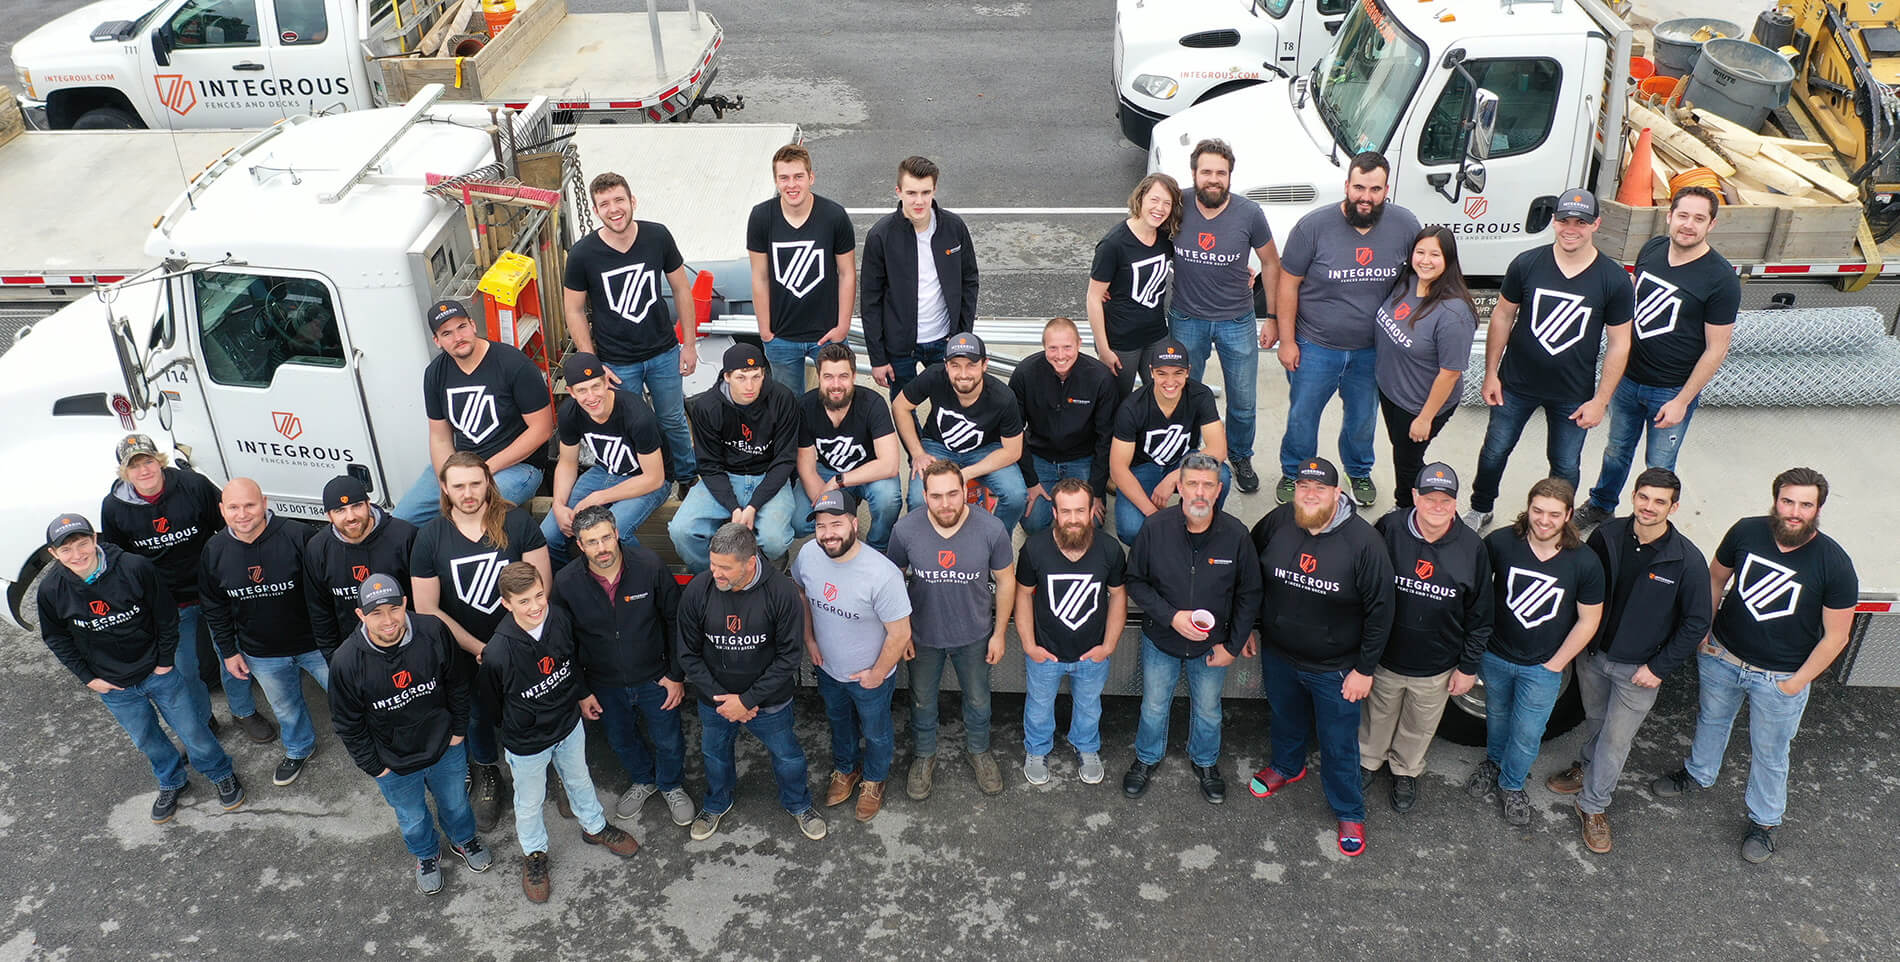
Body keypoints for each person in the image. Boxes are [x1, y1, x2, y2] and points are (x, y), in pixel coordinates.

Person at [1650, 467, 1857, 864]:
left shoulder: (1834, 563)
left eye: (1805, 504)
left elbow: (1837, 636)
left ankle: (1764, 823)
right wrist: (1704, 633)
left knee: (1770, 751)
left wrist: (1796, 683)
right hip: (1723, 657)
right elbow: (1714, 580)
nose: (1794, 511)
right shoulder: (1746, 531)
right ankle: (1698, 775)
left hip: (1780, 677)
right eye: (1788, 501)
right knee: (1711, 720)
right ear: (1775, 499)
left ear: (1818, 509)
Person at [1541, 469, 1708, 854]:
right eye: (1643, 497)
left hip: (1639, 671)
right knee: (1598, 722)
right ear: (1633, 497)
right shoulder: (1608, 535)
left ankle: (1594, 806)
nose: (1649, 507)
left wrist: (1659, 668)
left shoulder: (1686, 561)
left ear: (1674, 507)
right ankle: (1586, 765)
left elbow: (1696, 622)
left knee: (1617, 739)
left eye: (1660, 501)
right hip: (1595, 657)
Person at [38, 513, 245, 821]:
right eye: (66, 550)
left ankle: (219, 772)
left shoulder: (135, 568)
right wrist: (88, 678)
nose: (77, 555)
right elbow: (56, 637)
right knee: (146, 737)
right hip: (113, 685)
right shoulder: (51, 590)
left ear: (95, 540)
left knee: (191, 728)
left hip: (158, 673)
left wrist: (164, 662)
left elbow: (165, 616)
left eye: (82, 544)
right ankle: (172, 781)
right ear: (54, 554)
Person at [1248, 457, 1394, 857]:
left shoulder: (1364, 543)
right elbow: (1249, 572)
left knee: (1337, 743)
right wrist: (1248, 627)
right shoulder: (1278, 521)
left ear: (1337, 494)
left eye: (1319, 489)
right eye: (1303, 487)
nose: (1310, 495)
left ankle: (1349, 811)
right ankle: (1286, 767)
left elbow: (1382, 612)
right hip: (1279, 654)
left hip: (1336, 668)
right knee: (1284, 718)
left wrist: (1364, 670)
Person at [1466, 190, 1634, 529]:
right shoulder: (1527, 264)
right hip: (1515, 384)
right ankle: (1480, 507)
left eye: (1581, 222)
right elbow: (1502, 316)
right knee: (1494, 451)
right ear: (1554, 222)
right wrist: (1491, 374)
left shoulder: (1613, 279)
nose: (1571, 229)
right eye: (1564, 220)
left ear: (1596, 224)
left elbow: (1620, 343)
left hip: (1573, 395)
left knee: (1565, 465)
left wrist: (1601, 401)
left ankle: (1558, 523)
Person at [1578, 186, 1739, 528]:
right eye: (1683, 216)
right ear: (1669, 217)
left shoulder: (1721, 279)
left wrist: (1683, 399)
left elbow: (1717, 348)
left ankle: (1650, 524)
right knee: (1616, 451)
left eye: (1699, 219)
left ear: (1711, 225)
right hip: (1629, 380)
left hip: (1671, 391)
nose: (1688, 225)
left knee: (1659, 467)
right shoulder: (1651, 250)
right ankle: (1601, 505)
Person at [479, 562, 640, 903]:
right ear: (506, 604)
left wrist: (581, 695)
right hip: (528, 742)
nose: (535, 606)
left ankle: (594, 827)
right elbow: (491, 706)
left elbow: (572, 663)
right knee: (530, 801)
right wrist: (521, 725)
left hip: (568, 723)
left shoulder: (559, 619)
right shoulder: (497, 653)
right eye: (523, 601)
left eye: (539, 595)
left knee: (579, 778)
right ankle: (534, 855)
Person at [1269, 151, 1423, 506]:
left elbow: (1419, 281)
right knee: (1302, 415)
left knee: (1362, 418)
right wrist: (1288, 341)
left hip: (1373, 350)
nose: (1365, 197)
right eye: (1358, 187)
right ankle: (1295, 472)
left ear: (1387, 189)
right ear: (1346, 186)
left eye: (1374, 189)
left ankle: (1358, 471)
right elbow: (1288, 284)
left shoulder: (1405, 225)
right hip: (1314, 346)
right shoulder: (1312, 227)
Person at [410, 451, 552, 833]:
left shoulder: (518, 523)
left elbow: (541, 587)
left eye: (476, 482)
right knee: (475, 717)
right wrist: (480, 649)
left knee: (528, 708)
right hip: (462, 655)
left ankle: (539, 767)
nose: (468, 492)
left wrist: (508, 643)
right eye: (459, 485)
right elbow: (426, 608)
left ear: (488, 481)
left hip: (520, 644)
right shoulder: (430, 536)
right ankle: (487, 773)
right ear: (444, 488)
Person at [99, 434, 273, 743]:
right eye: (135, 466)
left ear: (160, 460)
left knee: (231, 654)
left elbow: (228, 526)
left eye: (148, 461)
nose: (144, 471)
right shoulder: (114, 507)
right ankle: (205, 719)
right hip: (168, 602)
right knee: (185, 668)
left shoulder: (193, 485)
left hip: (215, 589)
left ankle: (243, 711)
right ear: (124, 472)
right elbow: (118, 557)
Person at [328, 575, 493, 895]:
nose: (388, 620)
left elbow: (457, 684)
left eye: (393, 608)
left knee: (457, 803)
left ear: (405, 603)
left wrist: (458, 733)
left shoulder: (433, 631)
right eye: (376, 613)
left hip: (446, 747)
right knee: (413, 817)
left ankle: (463, 840)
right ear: (361, 615)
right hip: (394, 762)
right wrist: (376, 767)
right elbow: (348, 724)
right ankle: (426, 855)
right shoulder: (346, 662)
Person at [1122, 452, 1262, 804]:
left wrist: (1232, 645)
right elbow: (1135, 582)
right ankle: (1146, 757)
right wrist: (1172, 617)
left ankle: (1206, 762)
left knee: (1209, 709)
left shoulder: (1236, 535)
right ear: (1179, 488)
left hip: (1211, 646)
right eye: (1193, 484)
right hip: (1161, 639)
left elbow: (1250, 593)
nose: (1200, 492)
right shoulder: (1154, 528)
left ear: (1218, 491)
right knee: (1153, 705)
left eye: (1208, 486)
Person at [1464, 478, 1604, 827]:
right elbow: (1477, 596)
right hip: (1495, 656)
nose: (1544, 520)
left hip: (1542, 666)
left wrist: (1554, 665)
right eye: (1538, 510)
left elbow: (1589, 620)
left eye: (1554, 514)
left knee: (1528, 731)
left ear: (1569, 515)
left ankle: (1511, 785)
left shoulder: (1584, 562)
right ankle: (1493, 762)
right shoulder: (1500, 543)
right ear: (1528, 508)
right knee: (1496, 717)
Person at [676, 523, 827, 842]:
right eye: (712, 563)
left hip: (770, 703)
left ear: (750, 561)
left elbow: (788, 657)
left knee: (787, 756)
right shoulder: (698, 590)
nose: (715, 572)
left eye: (724, 568)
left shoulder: (782, 593)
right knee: (714, 755)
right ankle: (717, 802)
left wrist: (745, 701)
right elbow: (688, 655)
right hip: (715, 702)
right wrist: (724, 699)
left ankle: (799, 803)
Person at [549, 505, 694, 829]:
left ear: (616, 534)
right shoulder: (567, 582)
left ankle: (671, 785)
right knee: (621, 739)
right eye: (591, 542)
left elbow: (675, 622)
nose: (601, 548)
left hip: (655, 678)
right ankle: (644, 779)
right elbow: (564, 643)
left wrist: (675, 675)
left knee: (669, 738)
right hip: (603, 684)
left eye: (606, 538)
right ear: (580, 545)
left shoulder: (650, 566)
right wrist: (582, 691)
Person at [1361, 464, 1491, 814]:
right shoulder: (1389, 529)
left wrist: (1468, 667)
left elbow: (1480, 616)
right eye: (1429, 497)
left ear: (1455, 502)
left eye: (1445, 500)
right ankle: (1368, 761)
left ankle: (1405, 769)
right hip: (1387, 656)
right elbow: (1365, 586)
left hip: (1436, 664)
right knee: (1377, 715)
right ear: (1414, 496)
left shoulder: (1471, 547)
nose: (1437, 505)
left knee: (1420, 725)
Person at [561, 170, 698, 499]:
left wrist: (689, 344)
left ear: (632, 201)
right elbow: (573, 310)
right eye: (604, 203)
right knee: (627, 427)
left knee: (673, 419)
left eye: (619, 200)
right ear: (596, 211)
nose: (614, 209)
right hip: (617, 362)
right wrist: (592, 364)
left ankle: (688, 477)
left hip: (664, 351)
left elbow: (681, 289)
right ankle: (644, 485)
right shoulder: (582, 254)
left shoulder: (657, 237)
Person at [887, 460, 1016, 799]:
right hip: (923, 636)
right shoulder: (905, 530)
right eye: (937, 496)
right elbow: (892, 584)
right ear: (924, 496)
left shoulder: (991, 529)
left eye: (953, 494)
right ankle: (924, 755)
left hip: (974, 635)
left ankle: (979, 750)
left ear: (966, 493)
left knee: (977, 699)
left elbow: (1005, 582)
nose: (946, 504)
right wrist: (901, 634)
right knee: (922, 701)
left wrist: (999, 633)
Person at [199, 478, 330, 788]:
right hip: (262, 653)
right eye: (233, 507)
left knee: (350, 695)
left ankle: (378, 745)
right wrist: (229, 652)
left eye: (250, 505)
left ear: (265, 503)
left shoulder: (298, 535)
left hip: (316, 645)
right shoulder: (214, 550)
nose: (242, 514)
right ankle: (300, 748)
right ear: (222, 510)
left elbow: (325, 588)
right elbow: (214, 606)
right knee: (285, 707)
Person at [792, 490, 913, 822]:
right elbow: (802, 594)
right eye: (820, 526)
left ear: (854, 524)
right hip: (829, 670)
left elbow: (900, 633)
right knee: (838, 722)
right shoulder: (807, 556)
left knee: (876, 731)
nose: (828, 533)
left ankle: (874, 779)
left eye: (836, 523)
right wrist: (810, 641)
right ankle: (846, 769)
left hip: (870, 677)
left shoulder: (882, 574)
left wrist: (877, 673)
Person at [1169, 138, 1280, 494]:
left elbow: (1271, 263)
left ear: (1230, 176)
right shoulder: (1177, 204)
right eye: (1206, 172)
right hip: (1186, 318)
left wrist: (1273, 317)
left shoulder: (1249, 213)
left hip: (1236, 320)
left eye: (1221, 172)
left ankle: (1240, 455)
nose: (1213, 179)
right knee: (1182, 394)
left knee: (1243, 401)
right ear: (1194, 174)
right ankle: (1183, 454)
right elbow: (1138, 235)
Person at [392, 300, 554, 524]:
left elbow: (542, 429)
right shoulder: (435, 374)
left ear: (473, 325)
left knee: (470, 516)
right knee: (402, 521)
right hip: (462, 464)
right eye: (447, 333)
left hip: (517, 467)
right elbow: (440, 437)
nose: (458, 337)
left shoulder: (513, 364)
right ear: (437, 341)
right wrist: (447, 479)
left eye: (462, 327)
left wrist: (486, 470)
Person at [1014, 479, 1127, 786]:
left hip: (1092, 652)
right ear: (1054, 512)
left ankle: (1087, 747)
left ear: (1093, 511)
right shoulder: (1035, 548)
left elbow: (1118, 595)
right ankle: (1036, 750)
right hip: (1045, 651)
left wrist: (1109, 645)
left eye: (1080, 510)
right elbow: (1023, 595)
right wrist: (1029, 644)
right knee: (1038, 706)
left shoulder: (1109, 549)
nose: (1074, 518)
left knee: (1090, 706)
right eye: (1066, 511)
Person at [1372, 227, 1479, 510]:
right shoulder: (1407, 282)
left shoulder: (1454, 314)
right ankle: (1421, 496)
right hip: (1391, 391)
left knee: (1406, 463)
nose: (1426, 260)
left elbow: (1451, 372)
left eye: (1435, 254)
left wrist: (1425, 418)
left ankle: (1406, 510)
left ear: (1449, 260)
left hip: (1420, 403)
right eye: (1420, 252)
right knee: (1403, 454)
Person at [670, 343, 801, 571]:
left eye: (756, 376)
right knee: (681, 530)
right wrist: (733, 506)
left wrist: (753, 505)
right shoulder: (706, 406)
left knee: (775, 539)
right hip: (726, 476)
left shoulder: (783, 399)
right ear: (727, 376)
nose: (749, 385)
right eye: (741, 378)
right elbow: (709, 465)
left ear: (764, 374)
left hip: (768, 476)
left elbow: (785, 460)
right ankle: (714, 572)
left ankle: (764, 570)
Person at [861, 155, 980, 396]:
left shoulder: (954, 228)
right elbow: (870, 301)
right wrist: (877, 357)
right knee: (903, 410)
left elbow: (970, 281)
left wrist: (961, 336)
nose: (919, 201)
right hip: (899, 348)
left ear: (935, 190)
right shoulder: (880, 236)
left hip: (945, 342)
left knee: (949, 409)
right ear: (898, 192)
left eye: (925, 193)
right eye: (912, 193)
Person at [540, 352, 668, 568]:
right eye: (582, 390)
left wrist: (598, 497)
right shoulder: (569, 413)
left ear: (606, 382)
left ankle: (648, 576)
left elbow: (654, 478)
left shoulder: (636, 414)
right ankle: (572, 580)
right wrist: (559, 504)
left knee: (612, 535)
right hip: (604, 471)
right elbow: (568, 462)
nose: (591, 397)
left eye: (596, 386)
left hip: (646, 479)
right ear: (570, 392)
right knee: (548, 535)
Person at [748, 144, 857, 395]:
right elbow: (760, 276)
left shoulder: (834, 216)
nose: (791, 185)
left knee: (838, 402)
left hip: (828, 333)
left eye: (798, 176)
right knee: (789, 409)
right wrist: (765, 331)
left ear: (811, 177)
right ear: (775, 181)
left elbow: (847, 273)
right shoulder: (761, 217)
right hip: (782, 336)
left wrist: (842, 327)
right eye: (784, 178)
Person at [894, 332, 1029, 534]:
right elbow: (900, 406)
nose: (963, 373)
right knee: (916, 499)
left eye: (971, 365)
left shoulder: (1003, 397)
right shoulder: (934, 376)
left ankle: (994, 542)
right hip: (937, 446)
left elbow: (1012, 451)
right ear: (946, 365)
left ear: (985, 364)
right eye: (955, 365)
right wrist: (917, 453)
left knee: (1016, 495)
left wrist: (964, 474)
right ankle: (925, 549)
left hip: (986, 450)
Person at [1109, 337, 1229, 545]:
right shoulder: (1132, 407)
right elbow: (1118, 469)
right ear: (1152, 371)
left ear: (1188, 371)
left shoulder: (1200, 395)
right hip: (1142, 467)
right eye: (1162, 373)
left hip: (1181, 461)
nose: (1170, 382)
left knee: (1222, 475)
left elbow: (1218, 448)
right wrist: (1153, 515)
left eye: (1178, 373)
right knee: (1131, 529)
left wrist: (1176, 476)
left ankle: (1200, 525)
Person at [1009, 316, 1119, 535]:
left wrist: (1096, 491)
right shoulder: (1025, 373)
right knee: (1033, 523)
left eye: (1067, 347)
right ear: (1044, 347)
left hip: (1082, 459)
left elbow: (1106, 437)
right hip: (1040, 458)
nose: (1060, 356)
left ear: (1079, 343)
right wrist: (1030, 481)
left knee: (1091, 524)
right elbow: (1013, 431)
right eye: (1053, 348)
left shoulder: (1100, 378)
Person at [791, 343, 904, 553]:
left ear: (853, 376)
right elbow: (806, 468)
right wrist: (830, 510)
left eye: (843, 376)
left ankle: (878, 549)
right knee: (797, 520)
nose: (836, 384)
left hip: (868, 471)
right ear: (819, 376)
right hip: (825, 470)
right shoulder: (805, 406)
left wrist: (838, 481)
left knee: (888, 498)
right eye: (828, 377)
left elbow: (889, 465)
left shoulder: (872, 403)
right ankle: (833, 544)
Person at [304, 475, 418, 657]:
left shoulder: (404, 536)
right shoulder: (317, 549)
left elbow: (423, 599)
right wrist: (333, 657)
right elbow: (320, 611)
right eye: (340, 510)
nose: (351, 517)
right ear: (328, 516)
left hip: (409, 644)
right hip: (356, 654)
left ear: (368, 504)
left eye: (356, 506)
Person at [1088, 174, 1180, 395]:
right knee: (1117, 405)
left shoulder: (1166, 237)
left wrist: (1239, 272)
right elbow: (1093, 297)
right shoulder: (1113, 244)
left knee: (1161, 396)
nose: (1160, 208)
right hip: (1121, 343)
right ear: (1140, 198)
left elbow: (1195, 262)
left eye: (1167, 203)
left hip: (1156, 335)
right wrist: (1103, 349)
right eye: (1154, 200)